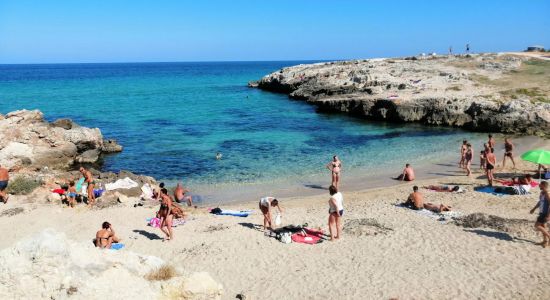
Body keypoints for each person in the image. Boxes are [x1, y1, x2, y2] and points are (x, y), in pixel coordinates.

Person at [530, 181, 550, 248]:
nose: (539, 186)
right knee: (543, 227)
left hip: (545, 213)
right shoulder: (542, 193)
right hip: (541, 212)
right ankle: (545, 241)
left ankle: (549, 236)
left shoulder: (547, 193)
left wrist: (548, 215)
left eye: (540, 185)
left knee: (536, 225)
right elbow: (540, 202)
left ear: (543, 185)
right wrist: (534, 209)